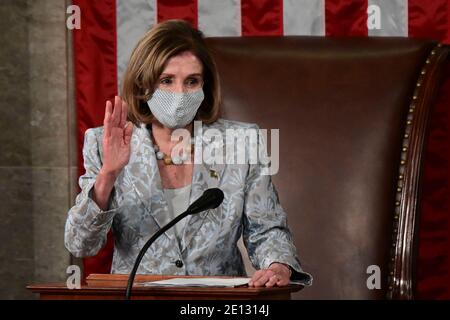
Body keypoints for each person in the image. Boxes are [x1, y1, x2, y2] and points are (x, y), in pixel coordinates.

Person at [65, 19, 312, 288]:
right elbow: (81, 244)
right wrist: (108, 174)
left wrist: (278, 266)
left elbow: (267, 229)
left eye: (192, 81)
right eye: (166, 80)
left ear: (205, 87)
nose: (179, 94)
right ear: (142, 84)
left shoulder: (241, 142)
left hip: (217, 302)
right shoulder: (103, 142)